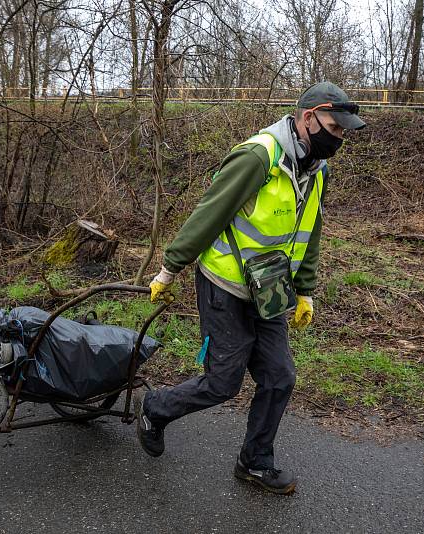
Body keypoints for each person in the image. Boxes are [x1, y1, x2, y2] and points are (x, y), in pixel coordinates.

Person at [134, 82, 366, 495]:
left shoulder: (317, 169)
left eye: (344, 132)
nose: (339, 138)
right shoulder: (259, 157)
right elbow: (209, 213)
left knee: (280, 377)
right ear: (308, 118)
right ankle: (155, 408)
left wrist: (306, 290)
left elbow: (309, 231)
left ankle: (255, 462)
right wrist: (169, 268)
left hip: (270, 287)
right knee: (223, 381)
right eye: (334, 127)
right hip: (224, 283)